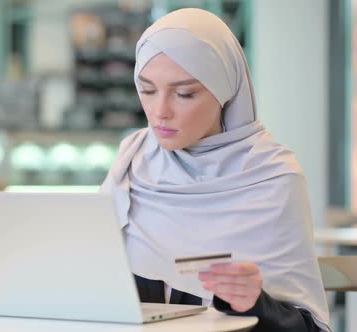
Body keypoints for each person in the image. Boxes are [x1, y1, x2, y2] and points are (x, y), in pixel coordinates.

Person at [100, 8, 330, 332]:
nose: (159, 112)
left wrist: (254, 302)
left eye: (184, 93)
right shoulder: (131, 160)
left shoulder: (275, 179)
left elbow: (309, 328)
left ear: (225, 92)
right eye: (147, 89)